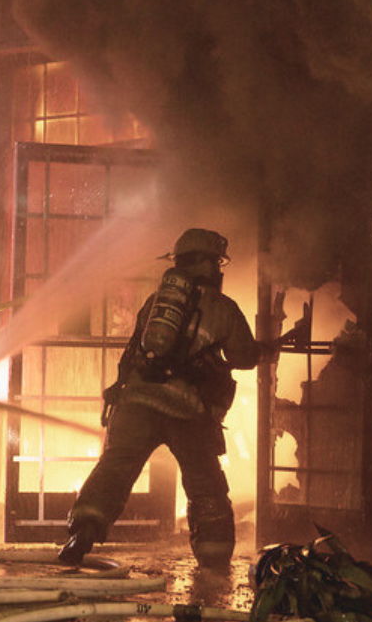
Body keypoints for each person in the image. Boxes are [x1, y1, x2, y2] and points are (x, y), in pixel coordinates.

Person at [59, 228, 270, 570]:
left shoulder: (155, 303)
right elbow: (245, 358)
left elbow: (133, 353)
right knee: (205, 482)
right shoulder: (222, 308)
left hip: (137, 402)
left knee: (114, 469)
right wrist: (262, 348)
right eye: (216, 262)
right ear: (205, 263)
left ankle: (82, 533)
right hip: (188, 409)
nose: (219, 270)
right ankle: (214, 556)